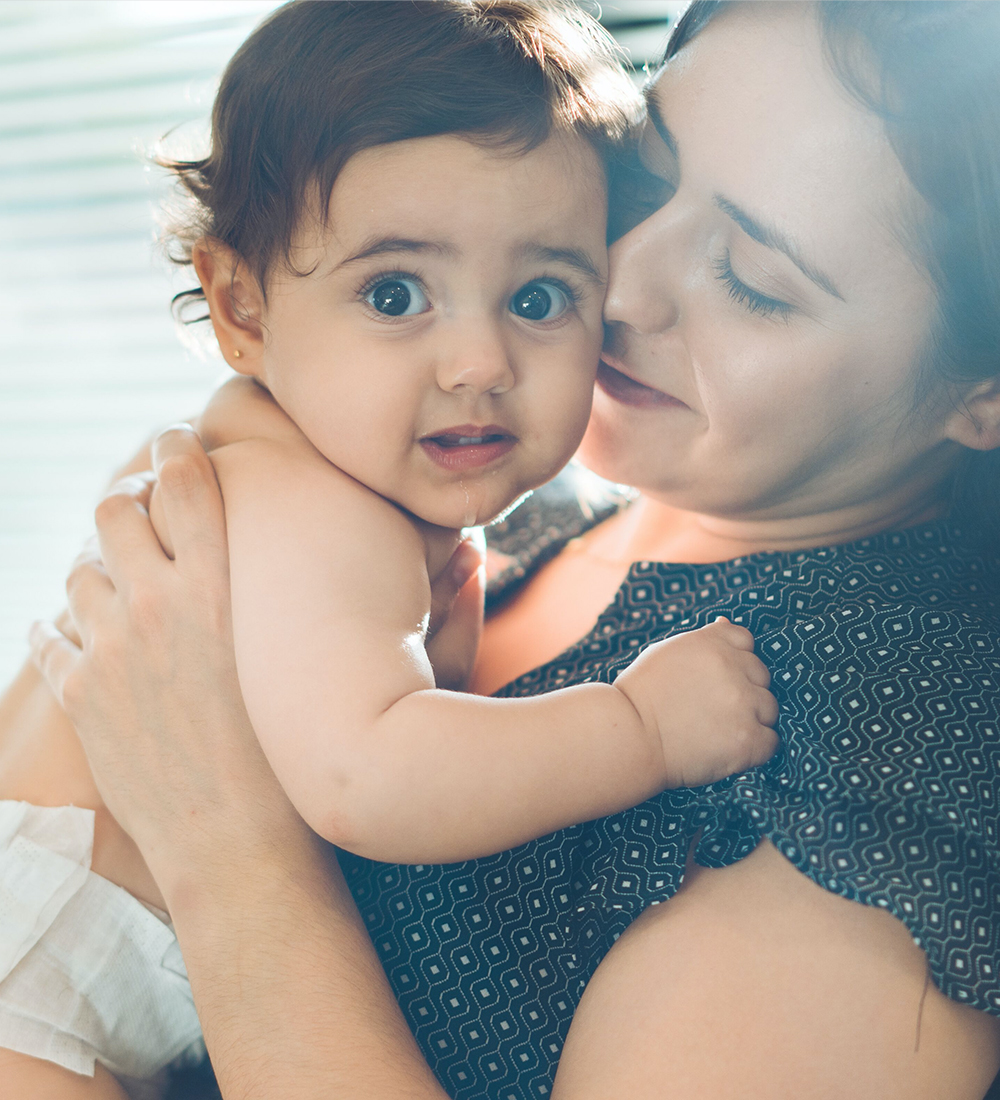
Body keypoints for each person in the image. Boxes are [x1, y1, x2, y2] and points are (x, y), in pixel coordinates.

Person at [24, 0, 1000, 1097]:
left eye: (751, 281)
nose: (614, 289)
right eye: (641, 182)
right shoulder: (535, 504)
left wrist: (225, 845)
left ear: (979, 397)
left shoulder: (883, 756)